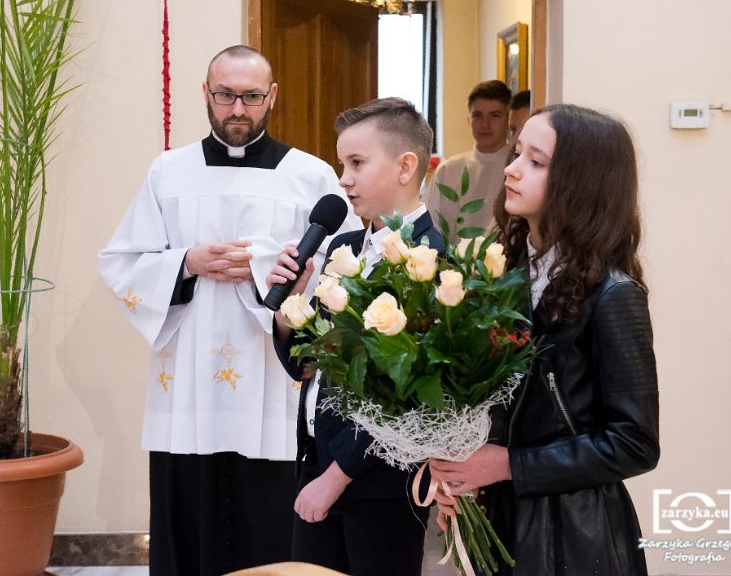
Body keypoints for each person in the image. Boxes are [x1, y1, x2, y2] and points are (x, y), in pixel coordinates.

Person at [98, 45, 360, 576]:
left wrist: (265, 266)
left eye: (251, 96)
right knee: (187, 526)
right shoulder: (168, 172)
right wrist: (186, 262)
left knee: (269, 526)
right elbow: (121, 263)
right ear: (206, 93)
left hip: (270, 380)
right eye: (225, 95)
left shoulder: (310, 177)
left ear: (272, 97)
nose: (237, 109)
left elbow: (349, 269)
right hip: (186, 383)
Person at [429, 104, 660, 575]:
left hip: (574, 533)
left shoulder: (614, 294)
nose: (511, 170)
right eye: (517, 154)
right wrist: (459, 466)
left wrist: (508, 465)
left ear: (581, 181)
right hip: (503, 515)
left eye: (536, 162)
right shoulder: (503, 272)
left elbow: (635, 443)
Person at [268, 97, 444, 576]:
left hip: (377, 483)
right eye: (341, 164)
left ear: (406, 167)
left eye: (357, 163)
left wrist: (336, 477)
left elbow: (405, 399)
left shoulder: (429, 260)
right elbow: (305, 364)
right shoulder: (343, 248)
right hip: (318, 459)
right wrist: (291, 306)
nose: (343, 179)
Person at [423, 80, 512, 240]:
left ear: (508, 120)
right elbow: (429, 226)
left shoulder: (515, 168)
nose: (485, 124)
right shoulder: (448, 170)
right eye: (477, 115)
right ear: (468, 120)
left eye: (495, 115)